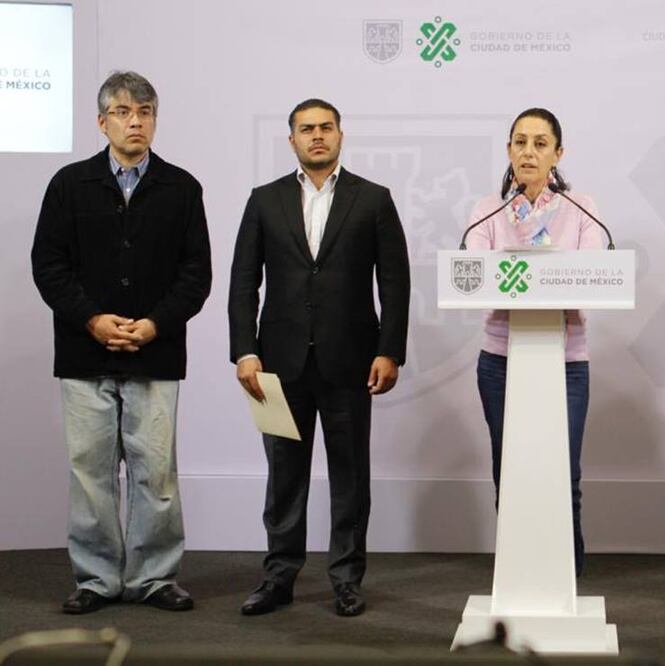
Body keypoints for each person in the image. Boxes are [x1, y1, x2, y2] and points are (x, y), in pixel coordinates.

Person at [30, 71, 212, 614]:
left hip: (155, 353)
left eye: (146, 111)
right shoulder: (70, 184)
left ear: (156, 119)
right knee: (91, 473)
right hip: (85, 354)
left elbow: (195, 274)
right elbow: (49, 265)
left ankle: (155, 578)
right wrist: (92, 320)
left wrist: (155, 323)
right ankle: (96, 579)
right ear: (102, 120)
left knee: (155, 473)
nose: (137, 121)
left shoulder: (181, 187)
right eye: (125, 112)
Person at [227, 98, 410, 617]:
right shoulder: (264, 200)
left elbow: (395, 284)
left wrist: (389, 350)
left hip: (351, 362)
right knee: (284, 475)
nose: (317, 137)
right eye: (306, 129)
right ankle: (279, 576)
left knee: (351, 476)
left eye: (326, 128)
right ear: (291, 140)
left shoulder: (373, 199)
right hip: (277, 368)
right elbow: (244, 282)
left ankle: (347, 579)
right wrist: (244, 351)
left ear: (340, 135)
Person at [464, 107, 605, 577]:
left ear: (558, 153)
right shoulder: (489, 209)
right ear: (508, 150)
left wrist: (531, 265)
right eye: (520, 142)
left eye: (540, 143)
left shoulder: (582, 207)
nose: (529, 151)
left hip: (565, 360)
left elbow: (587, 276)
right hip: (501, 359)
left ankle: (566, 570)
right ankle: (519, 570)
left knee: (564, 471)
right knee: (511, 467)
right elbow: (479, 276)